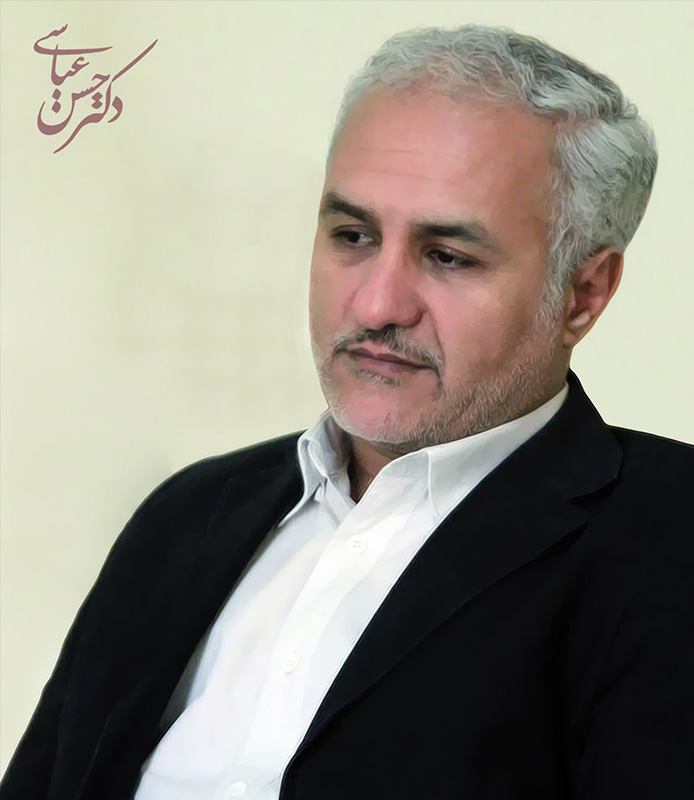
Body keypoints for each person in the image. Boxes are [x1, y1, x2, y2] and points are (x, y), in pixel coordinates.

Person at [2, 22, 693, 800]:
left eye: (447, 256)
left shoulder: (670, 542)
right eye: (353, 235)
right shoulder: (187, 516)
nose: (376, 304)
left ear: (584, 294)